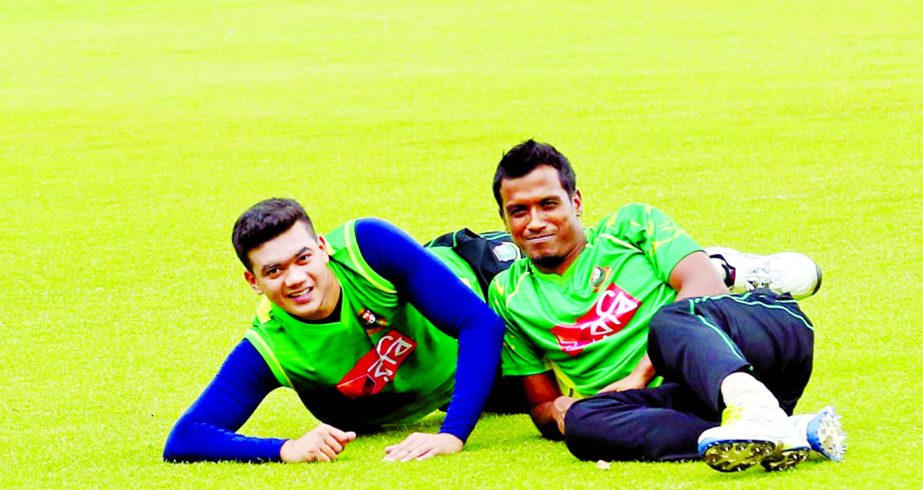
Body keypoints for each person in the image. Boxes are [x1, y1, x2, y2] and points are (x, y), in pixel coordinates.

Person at [486, 140, 845, 472]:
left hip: (751, 349)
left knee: (672, 317)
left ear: (575, 202)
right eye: (519, 211)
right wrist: (559, 411)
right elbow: (541, 407)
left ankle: (732, 280)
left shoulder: (630, 225)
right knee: (583, 424)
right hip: (670, 406)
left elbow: (705, 287)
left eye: (548, 205)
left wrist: (640, 372)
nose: (535, 222)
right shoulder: (509, 293)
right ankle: (780, 430)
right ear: (504, 220)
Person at [164, 198, 518, 463]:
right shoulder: (271, 346)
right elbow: (186, 437)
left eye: (303, 258)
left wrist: (452, 435)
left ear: (322, 248)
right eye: (274, 271)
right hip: (472, 381)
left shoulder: (369, 247)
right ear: (253, 282)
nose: (296, 279)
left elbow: (480, 323)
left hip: (495, 289)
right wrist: (287, 449)